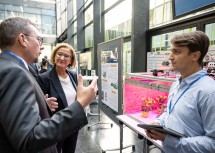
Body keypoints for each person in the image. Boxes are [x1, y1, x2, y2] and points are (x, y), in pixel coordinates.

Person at [0, 17, 97, 153]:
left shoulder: (11, 67)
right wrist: (80, 105)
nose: (42, 46)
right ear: (22, 39)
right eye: (38, 40)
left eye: (66, 56)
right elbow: (28, 139)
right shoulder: (14, 72)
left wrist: (42, 104)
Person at [145, 31, 215, 153]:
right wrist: (158, 123)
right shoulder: (176, 84)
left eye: (176, 52)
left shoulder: (209, 92)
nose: (170, 57)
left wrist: (172, 142)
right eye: (171, 51)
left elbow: (213, 143)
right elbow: (169, 112)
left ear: (195, 56)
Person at [37, 43, 79, 153]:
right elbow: (38, 104)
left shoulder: (73, 75)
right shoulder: (44, 78)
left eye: (66, 56)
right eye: (59, 54)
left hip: (73, 124)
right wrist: (45, 103)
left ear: (70, 60)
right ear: (54, 56)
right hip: (56, 126)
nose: (62, 58)